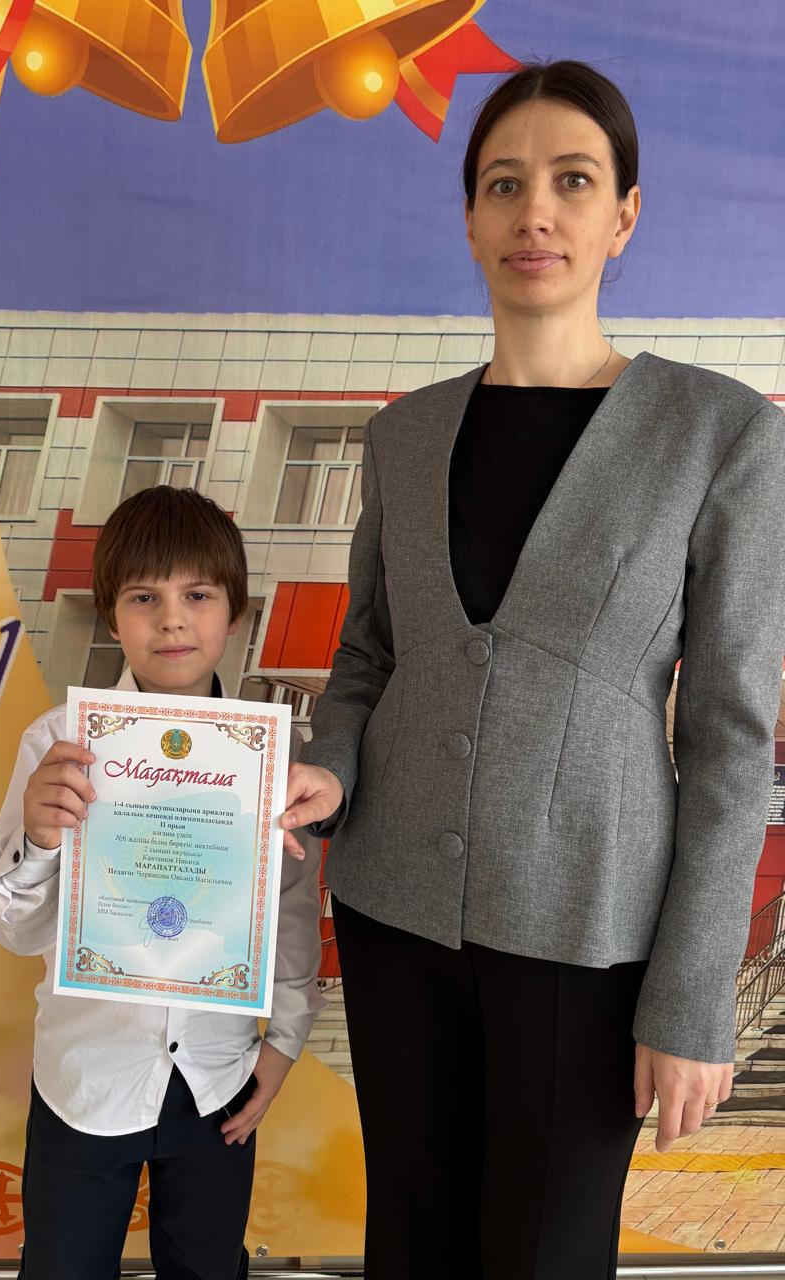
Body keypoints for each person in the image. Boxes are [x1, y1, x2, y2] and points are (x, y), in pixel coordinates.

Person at [280, 59, 785, 1279]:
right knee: (411, 1241)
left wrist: (692, 995)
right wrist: (329, 766)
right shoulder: (403, 434)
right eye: (504, 184)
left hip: (589, 927)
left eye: (573, 181)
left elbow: (730, 738)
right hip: (393, 907)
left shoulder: (723, 433)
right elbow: (368, 653)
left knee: (546, 1256)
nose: (536, 213)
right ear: (470, 218)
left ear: (625, 215)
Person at [0, 485, 324, 1280]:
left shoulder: (274, 760)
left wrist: (282, 1046)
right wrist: (40, 840)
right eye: (144, 597)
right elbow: (14, 929)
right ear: (111, 616)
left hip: (217, 1079)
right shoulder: (58, 745)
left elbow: (291, 917)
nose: (172, 619)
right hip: (86, 1075)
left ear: (235, 615)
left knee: (207, 1267)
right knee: (64, 1267)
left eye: (197, 595)